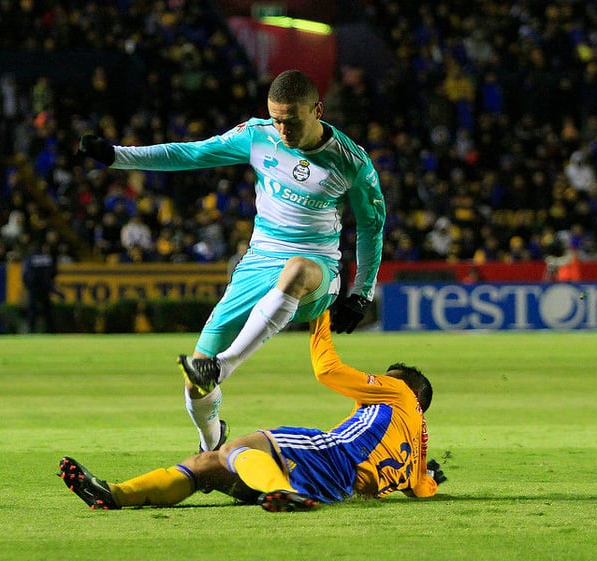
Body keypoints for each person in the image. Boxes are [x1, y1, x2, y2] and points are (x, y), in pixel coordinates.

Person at [77, 69, 386, 452]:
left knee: (296, 270)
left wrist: (362, 293)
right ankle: (212, 444)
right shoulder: (257, 136)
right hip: (256, 265)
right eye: (275, 119)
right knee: (195, 380)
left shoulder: (351, 161)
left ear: (318, 110)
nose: (282, 129)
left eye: (291, 120)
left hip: (316, 270)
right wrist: (116, 156)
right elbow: (190, 152)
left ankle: (224, 366)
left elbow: (373, 224)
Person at [58, 310, 446, 512]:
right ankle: (114, 495)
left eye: (384, 377)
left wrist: (320, 314)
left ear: (408, 387)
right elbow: (422, 489)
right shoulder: (414, 453)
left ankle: (280, 491)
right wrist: (430, 476)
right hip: (335, 486)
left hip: (333, 456)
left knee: (237, 449)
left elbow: (327, 369)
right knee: (208, 465)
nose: (373, 383)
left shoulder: (400, 393)